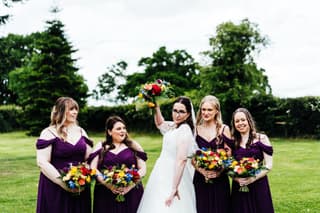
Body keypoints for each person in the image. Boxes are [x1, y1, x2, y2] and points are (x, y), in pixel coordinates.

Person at [137, 96, 197, 213]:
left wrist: (174, 188)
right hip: (161, 172)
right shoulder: (173, 126)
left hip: (175, 174)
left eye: (181, 112)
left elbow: (182, 160)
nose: (177, 115)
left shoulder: (184, 129)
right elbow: (160, 123)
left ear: (188, 114)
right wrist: (156, 106)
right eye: (175, 111)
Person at [35, 97, 93, 213]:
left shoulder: (81, 131)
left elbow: (89, 159)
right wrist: (64, 183)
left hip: (79, 187)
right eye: (71, 109)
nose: (75, 112)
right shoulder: (48, 132)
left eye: (76, 109)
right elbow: (42, 162)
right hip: (55, 187)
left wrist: (82, 178)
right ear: (61, 111)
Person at [89, 116, 147, 213]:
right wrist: (108, 185)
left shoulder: (132, 145)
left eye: (124, 128)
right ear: (109, 132)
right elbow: (93, 168)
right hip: (105, 194)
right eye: (118, 129)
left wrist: (130, 186)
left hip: (131, 192)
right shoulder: (101, 146)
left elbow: (143, 168)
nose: (123, 131)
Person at [193, 95, 233, 213]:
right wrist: (202, 171)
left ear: (216, 111)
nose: (205, 113)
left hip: (220, 180)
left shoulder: (224, 129)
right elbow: (191, 157)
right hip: (200, 179)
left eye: (209, 110)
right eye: (203, 109)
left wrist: (219, 171)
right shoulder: (195, 129)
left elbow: (229, 156)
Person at [230, 108, 274, 213]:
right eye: (237, 121)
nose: (240, 123)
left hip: (259, 185)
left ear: (249, 120)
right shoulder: (233, 141)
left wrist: (252, 178)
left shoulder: (261, 138)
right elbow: (228, 166)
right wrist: (236, 178)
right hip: (240, 186)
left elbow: (269, 165)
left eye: (243, 120)